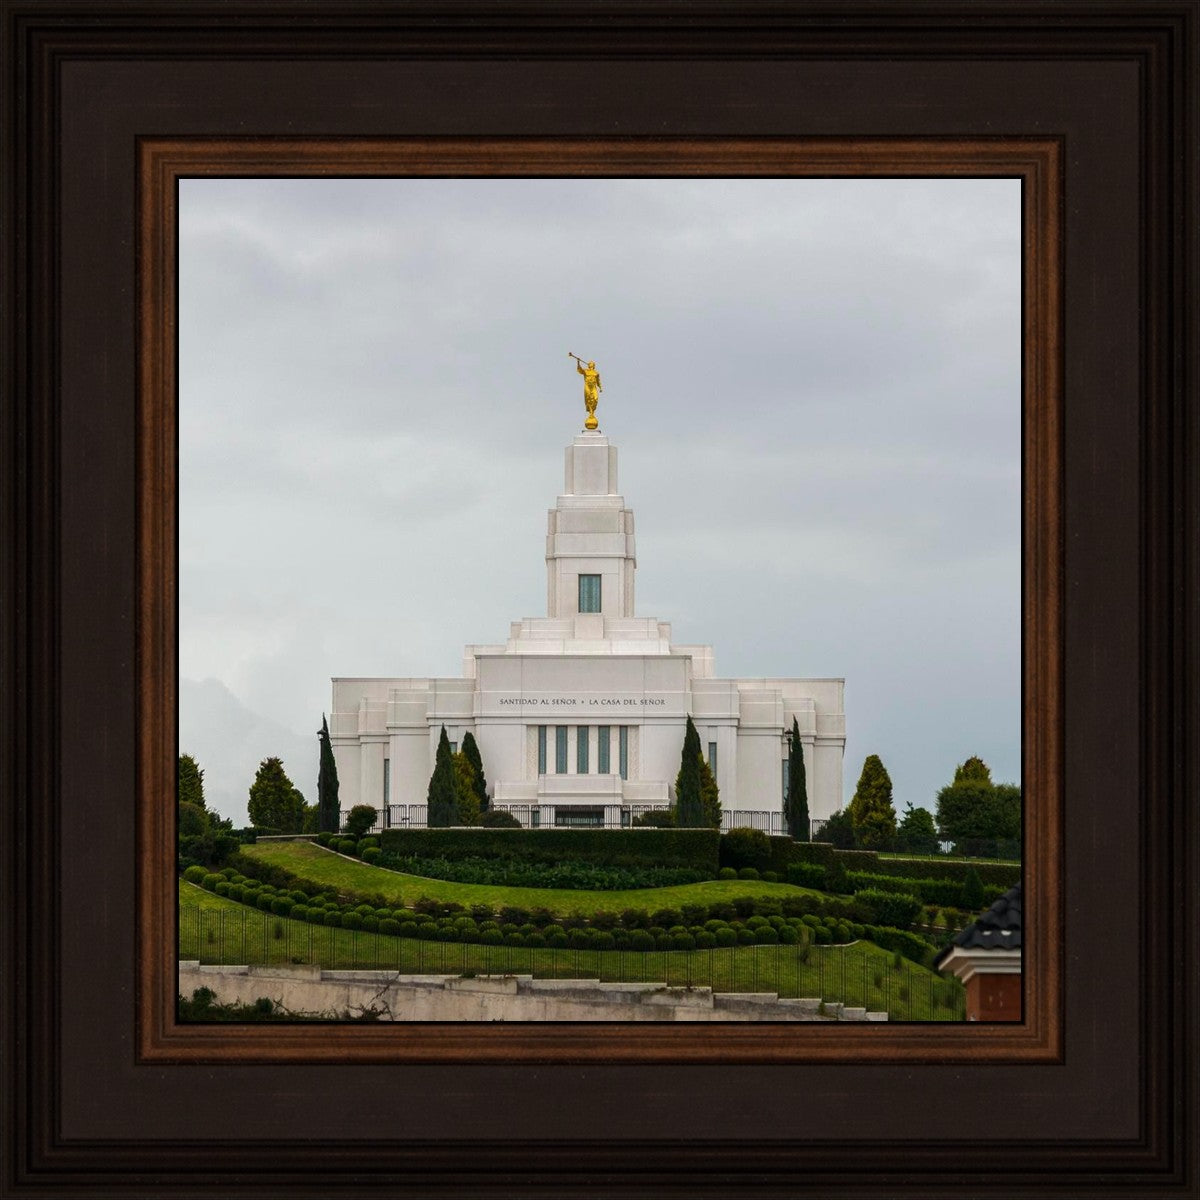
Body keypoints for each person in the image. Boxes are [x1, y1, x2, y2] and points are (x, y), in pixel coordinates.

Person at [576, 358, 602, 429]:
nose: (591, 364)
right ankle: (591, 413)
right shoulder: (586, 371)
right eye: (590, 364)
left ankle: (592, 412)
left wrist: (600, 387)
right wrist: (578, 362)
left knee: (595, 399)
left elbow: (598, 381)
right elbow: (580, 370)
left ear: (593, 366)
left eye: (592, 364)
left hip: (593, 387)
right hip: (587, 386)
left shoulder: (596, 373)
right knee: (588, 399)